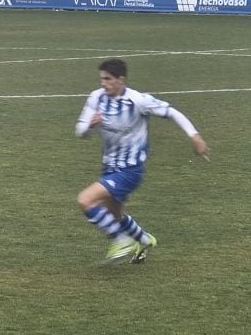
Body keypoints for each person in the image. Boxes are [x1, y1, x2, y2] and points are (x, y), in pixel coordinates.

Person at [75, 59, 210, 264]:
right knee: (115, 215)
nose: (103, 83)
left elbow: (172, 112)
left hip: (130, 170)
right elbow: (80, 132)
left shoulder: (138, 100)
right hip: (109, 167)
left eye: (108, 79)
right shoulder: (96, 97)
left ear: (121, 79)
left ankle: (121, 241)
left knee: (85, 200)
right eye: (102, 79)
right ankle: (144, 240)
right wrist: (90, 126)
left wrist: (195, 136)